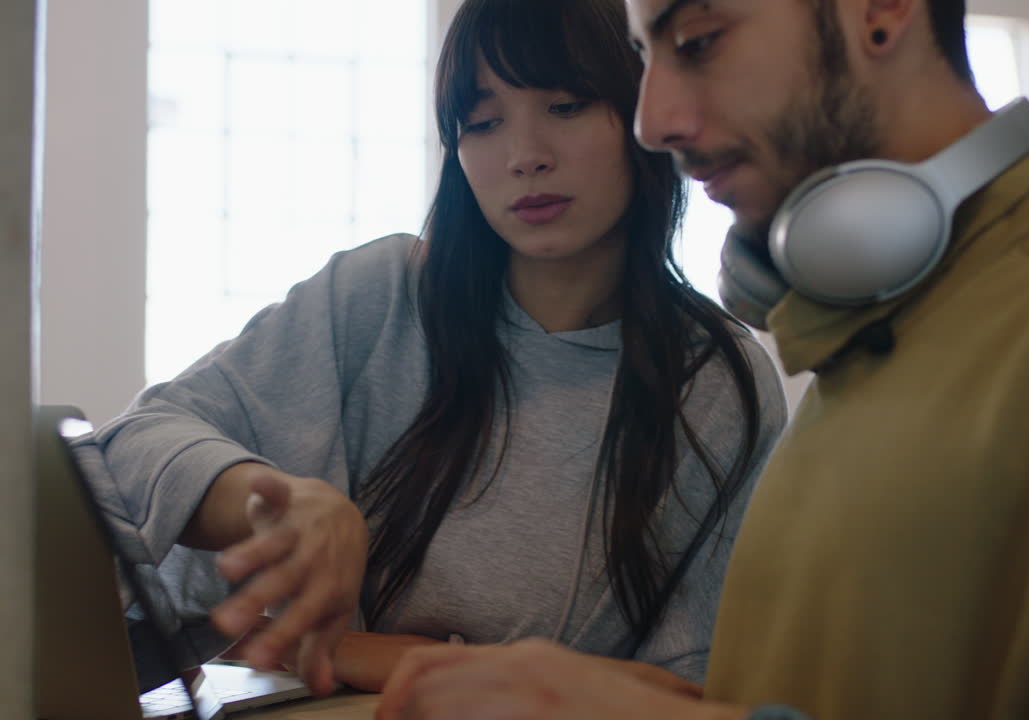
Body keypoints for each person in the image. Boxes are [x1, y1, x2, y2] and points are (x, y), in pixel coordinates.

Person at [370, 0, 1029, 718]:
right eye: (649, 60)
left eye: (699, 39)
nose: (655, 121)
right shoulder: (877, 328)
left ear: (881, 9)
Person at [78, 0, 785, 699]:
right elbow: (128, 446)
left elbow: (691, 689)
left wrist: (372, 655)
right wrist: (280, 504)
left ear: (646, 110)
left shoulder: (717, 382)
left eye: (566, 105)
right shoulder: (378, 297)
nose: (524, 156)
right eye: (482, 122)